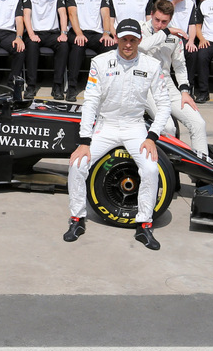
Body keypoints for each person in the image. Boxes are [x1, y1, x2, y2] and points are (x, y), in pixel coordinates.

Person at [65, 18, 170, 250]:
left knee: (151, 168)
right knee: (77, 164)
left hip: (135, 126)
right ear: (116, 39)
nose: (128, 45)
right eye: (124, 39)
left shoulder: (152, 65)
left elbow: (164, 105)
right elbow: (90, 101)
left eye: (133, 40)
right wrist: (84, 140)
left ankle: (144, 225)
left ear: (139, 40)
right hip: (106, 125)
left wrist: (152, 137)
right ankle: (77, 219)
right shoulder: (100, 63)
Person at [142, 1, 207, 154]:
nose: (159, 24)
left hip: (166, 84)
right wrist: (166, 31)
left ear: (170, 19)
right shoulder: (140, 29)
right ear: (151, 14)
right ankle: (166, 167)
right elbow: (142, 47)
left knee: (198, 123)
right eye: (157, 20)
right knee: (168, 127)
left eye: (164, 22)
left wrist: (184, 90)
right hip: (144, 85)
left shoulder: (175, 37)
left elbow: (179, 66)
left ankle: (200, 175)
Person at [22, 0, 70, 98]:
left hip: (52, 32)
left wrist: (63, 32)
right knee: (31, 46)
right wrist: (31, 34)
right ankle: (31, 86)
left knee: (64, 45)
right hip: (35, 32)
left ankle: (57, 86)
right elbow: (26, 15)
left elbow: (63, 14)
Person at [65, 0, 112, 99]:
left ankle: (105, 86)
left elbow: (106, 15)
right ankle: (72, 87)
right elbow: (72, 15)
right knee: (78, 45)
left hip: (96, 33)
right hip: (77, 31)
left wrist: (106, 33)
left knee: (110, 47)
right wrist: (79, 33)